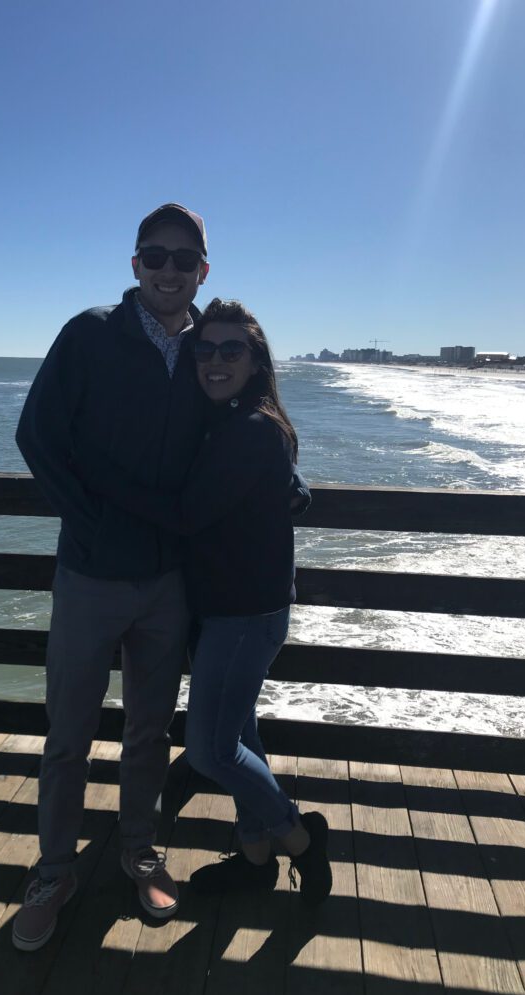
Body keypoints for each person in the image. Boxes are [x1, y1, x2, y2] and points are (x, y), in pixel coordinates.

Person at [73, 298, 333, 902]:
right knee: (241, 734)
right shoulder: (230, 417)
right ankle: (254, 853)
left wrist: (103, 477)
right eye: (205, 350)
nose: (215, 361)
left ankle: (299, 836)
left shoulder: (251, 430)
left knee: (214, 750)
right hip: (222, 610)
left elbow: (187, 513)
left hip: (246, 614)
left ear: (255, 360)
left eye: (231, 350)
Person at [12, 204, 211, 951]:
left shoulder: (209, 345)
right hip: (91, 576)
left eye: (183, 259)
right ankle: (54, 868)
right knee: (68, 734)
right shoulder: (90, 333)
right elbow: (37, 433)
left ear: (202, 269)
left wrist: (276, 476)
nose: (168, 270)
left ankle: (138, 846)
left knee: (149, 729)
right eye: (154, 256)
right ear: (134, 264)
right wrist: (88, 522)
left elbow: (243, 420)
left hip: (167, 580)